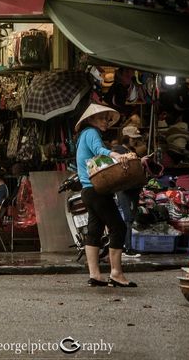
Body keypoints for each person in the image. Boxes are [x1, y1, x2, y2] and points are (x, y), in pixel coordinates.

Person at [76, 102, 137, 288]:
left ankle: (95, 275)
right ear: (92, 119)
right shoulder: (91, 133)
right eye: (102, 118)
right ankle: (116, 274)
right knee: (118, 227)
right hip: (97, 190)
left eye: (107, 119)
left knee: (94, 231)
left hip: (88, 191)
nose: (106, 121)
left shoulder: (82, 136)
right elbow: (98, 151)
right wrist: (116, 155)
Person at [113, 126, 144, 258]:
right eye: (132, 138)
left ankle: (128, 246)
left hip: (133, 188)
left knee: (130, 217)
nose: (134, 141)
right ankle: (127, 247)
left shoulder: (131, 150)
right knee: (127, 219)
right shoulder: (119, 151)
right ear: (126, 138)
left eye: (136, 139)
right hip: (124, 189)